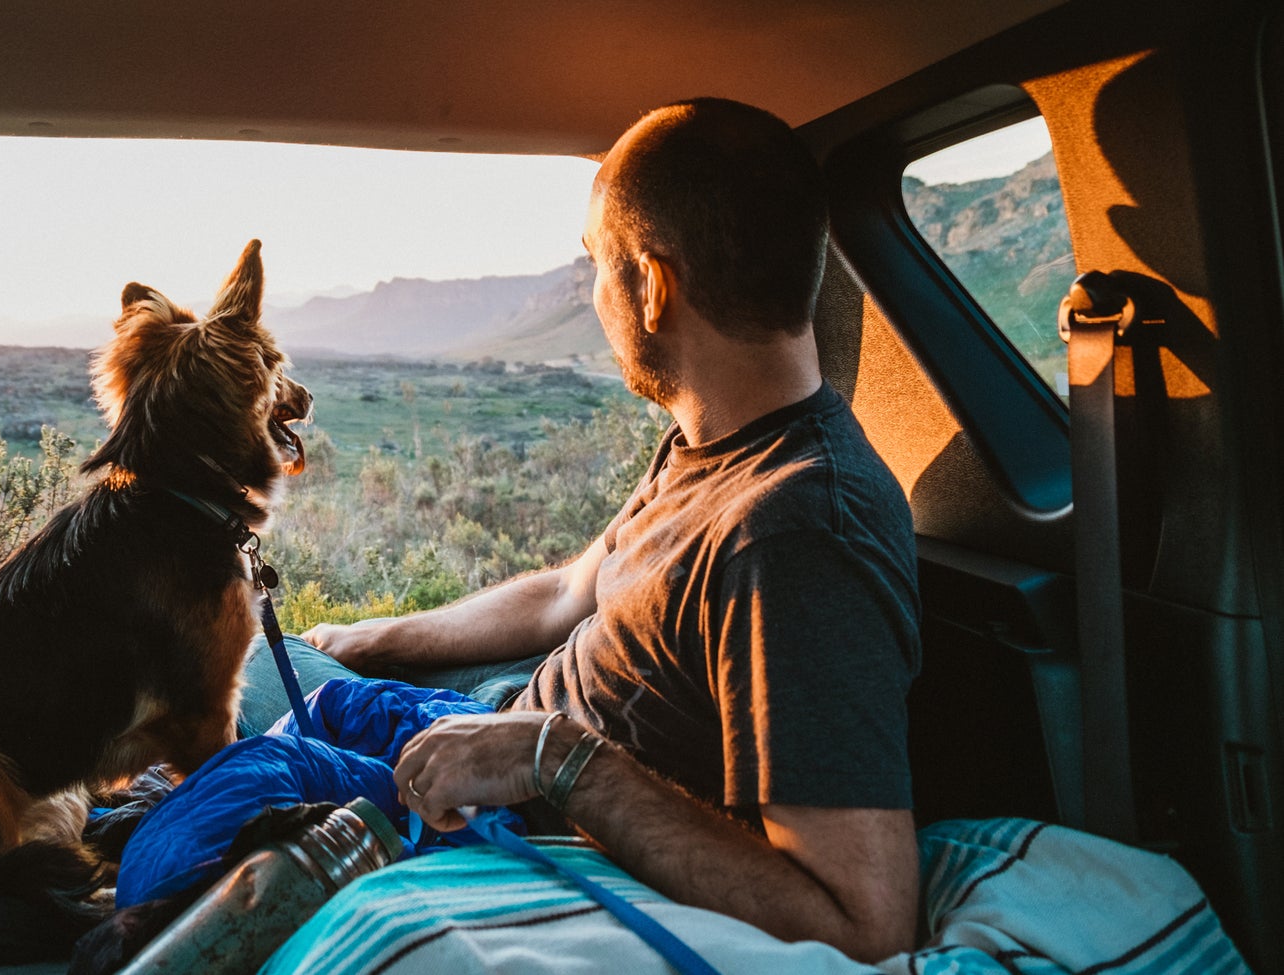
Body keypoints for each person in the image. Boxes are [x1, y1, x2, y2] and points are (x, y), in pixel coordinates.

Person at [238, 98, 921, 963]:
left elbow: (860, 923)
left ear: (655, 286)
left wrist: (558, 758)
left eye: (599, 264)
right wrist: (372, 638)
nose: (595, 294)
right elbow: (567, 590)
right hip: (491, 726)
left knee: (222, 761)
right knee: (274, 660)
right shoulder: (710, 449)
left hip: (511, 806)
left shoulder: (792, 534)